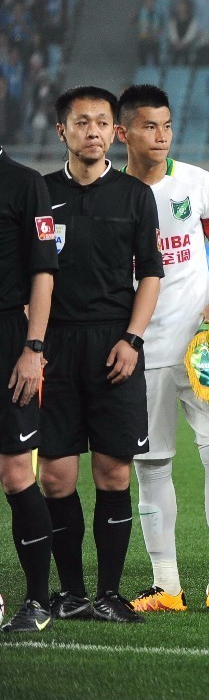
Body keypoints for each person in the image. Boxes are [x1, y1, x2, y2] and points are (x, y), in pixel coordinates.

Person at [116, 85, 209, 615]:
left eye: (168, 126)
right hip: (141, 351)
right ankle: (166, 586)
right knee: (151, 464)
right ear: (123, 132)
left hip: (202, 347)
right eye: (149, 126)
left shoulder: (198, 183)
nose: (162, 136)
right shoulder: (111, 195)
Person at [40, 86, 164, 624]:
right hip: (55, 348)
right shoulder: (41, 194)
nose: (92, 131)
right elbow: (28, 274)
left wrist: (132, 339)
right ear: (62, 131)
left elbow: (151, 274)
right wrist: (34, 344)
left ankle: (109, 594)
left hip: (115, 344)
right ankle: (71, 594)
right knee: (55, 479)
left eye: (101, 122)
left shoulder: (135, 196)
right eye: (81, 122)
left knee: (114, 475)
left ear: (115, 132)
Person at [0, 142, 57, 632]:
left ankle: (37, 603)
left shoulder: (24, 183)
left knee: (16, 472)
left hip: (8, 338)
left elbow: (43, 272)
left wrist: (33, 348)